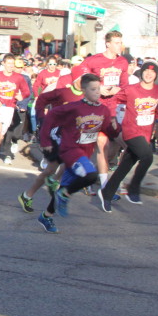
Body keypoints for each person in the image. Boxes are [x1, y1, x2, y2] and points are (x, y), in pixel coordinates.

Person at [36, 74, 119, 233]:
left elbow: (109, 130)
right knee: (91, 175)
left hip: (85, 153)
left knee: (65, 186)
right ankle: (63, 194)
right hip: (71, 150)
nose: (96, 92)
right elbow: (52, 116)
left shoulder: (103, 110)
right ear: (84, 90)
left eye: (98, 89)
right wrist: (45, 141)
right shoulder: (73, 107)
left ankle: (46, 216)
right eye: (92, 89)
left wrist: (116, 127)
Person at [18, 65, 87, 213]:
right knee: (61, 164)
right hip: (57, 132)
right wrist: (41, 117)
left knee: (53, 168)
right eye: (81, 78)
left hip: (73, 134)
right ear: (75, 79)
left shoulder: (87, 96)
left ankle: (31, 193)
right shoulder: (62, 92)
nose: (84, 81)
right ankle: (45, 188)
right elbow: (42, 99)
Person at [99, 61, 158, 210]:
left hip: (146, 133)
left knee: (125, 166)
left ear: (156, 74)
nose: (149, 74)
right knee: (148, 157)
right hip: (131, 131)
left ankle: (107, 193)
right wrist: (112, 117)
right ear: (141, 73)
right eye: (146, 71)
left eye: (153, 72)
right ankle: (133, 189)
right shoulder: (131, 90)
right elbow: (114, 99)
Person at [81, 30, 129, 192]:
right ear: (108, 43)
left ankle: (93, 174)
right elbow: (82, 81)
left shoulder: (123, 62)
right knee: (102, 144)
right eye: (116, 42)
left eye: (120, 42)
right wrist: (98, 89)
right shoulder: (93, 61)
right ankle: (104, 185)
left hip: (114, 110)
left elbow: (125, 86)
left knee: (121, 146)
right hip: (96, 109)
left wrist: (117, 90)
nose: (119, 45)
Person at [0, 53, 30, 166]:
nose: (10, 66)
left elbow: (27, 92)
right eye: (8, 63)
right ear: (3, 63)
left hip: (9, 108)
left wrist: (21, 97)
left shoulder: (19, 78)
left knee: (1, 135)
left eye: (12, 64)